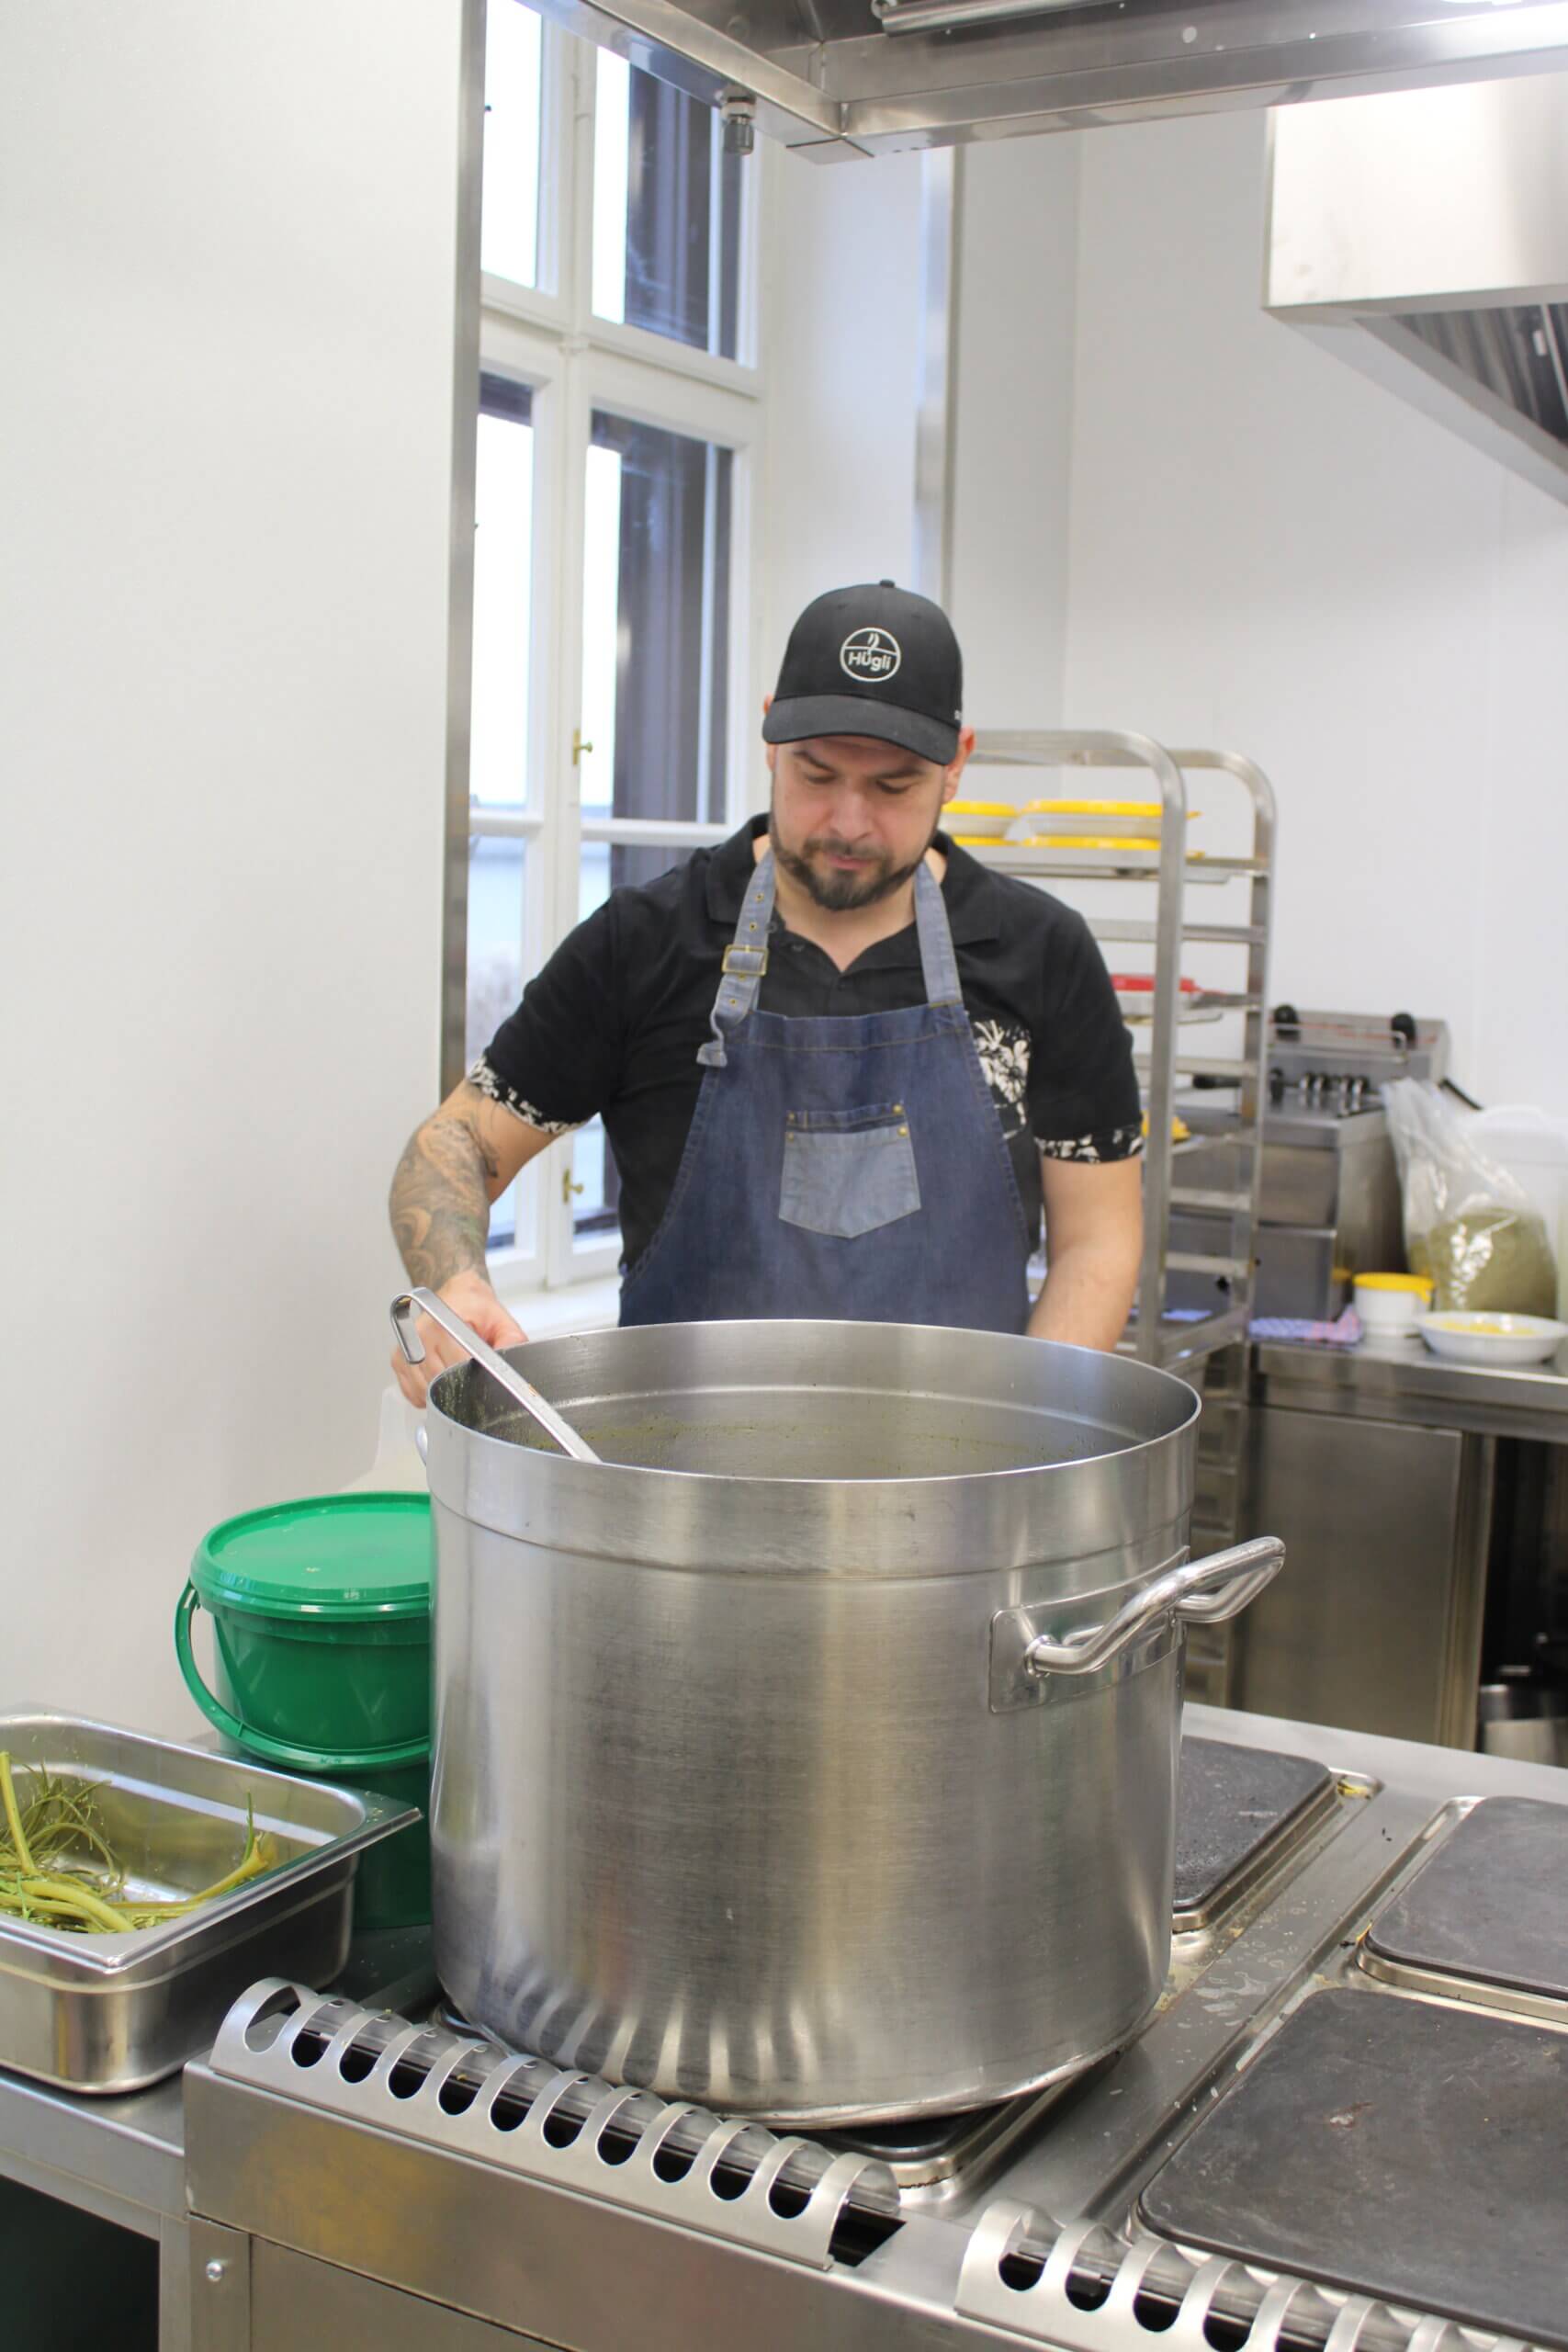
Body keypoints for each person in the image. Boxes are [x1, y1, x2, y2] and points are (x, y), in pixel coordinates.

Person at [390, 581, 1143, 1404]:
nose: (848, 823)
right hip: (673, 1470)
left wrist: (1027, 1428)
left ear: (957, 763)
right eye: (816, 775)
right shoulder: (644, 944)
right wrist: (456, 1285)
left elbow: (1096, 1242)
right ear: (769, 736)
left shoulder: (1040, 955)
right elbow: (455, 1142)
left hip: (970, 1462)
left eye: (893, 787)